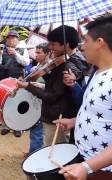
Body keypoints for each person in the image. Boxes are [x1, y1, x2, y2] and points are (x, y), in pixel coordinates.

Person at [55, 15, 112, 180]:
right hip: (87, 161)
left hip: (104, 171)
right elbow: (98, 110)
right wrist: (74, 121)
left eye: (85, 41)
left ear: (99, 42)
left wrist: (87, 167)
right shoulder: (98, 72)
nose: (82, 47)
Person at [16, 27, 83, 147]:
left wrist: (28, 86)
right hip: (56, 115)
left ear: (66, 44)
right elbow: (55, 85)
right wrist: (47, 74)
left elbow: (52, 96)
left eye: (53, 44)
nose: (50, 47)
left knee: (55, 153)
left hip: (58, 117)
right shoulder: (62, 62)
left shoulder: (68, 66)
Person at [0, 30, 30, 137]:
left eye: (13, 38)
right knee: (5, 103)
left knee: (17, 103)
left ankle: (17, 127)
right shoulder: (2, 50)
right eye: (9, 38)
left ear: (17, 39)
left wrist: (15, 53)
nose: (11, 40)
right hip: (4, 81)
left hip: (18, 81)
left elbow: (26, 62)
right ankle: (6, 126)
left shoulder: (23, 50)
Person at [24, 43, 49, 157]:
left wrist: (41, 86)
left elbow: (54, 87)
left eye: (39, 52)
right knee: (34, 129)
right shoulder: (38, 66)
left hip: (45, 102)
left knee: (38, 131)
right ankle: (32, 152)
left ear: (48, 53)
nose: (36, 55)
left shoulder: (51, 68)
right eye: (36, 52)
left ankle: (34, 155)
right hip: (36, 101)